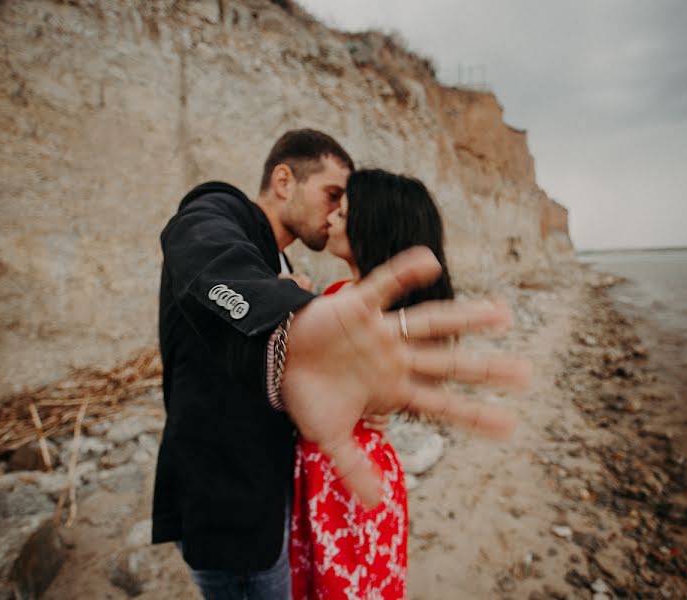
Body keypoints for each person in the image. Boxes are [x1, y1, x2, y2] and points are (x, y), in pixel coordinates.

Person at [154, 129, 527, 600]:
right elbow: (203, 255)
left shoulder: (282, 267)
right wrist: (284, 320)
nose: (335, 212)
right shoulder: (215, 213)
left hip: (284, 493)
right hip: (232, 500)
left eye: (344, 205)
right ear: (284, 180)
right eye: (333, 195)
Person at [290, 169, 454, 599]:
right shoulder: (345, 295)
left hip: (338, 473)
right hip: (347, 460)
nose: (329, 220)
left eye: (342, 213)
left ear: (373, 226)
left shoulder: (356, 307)